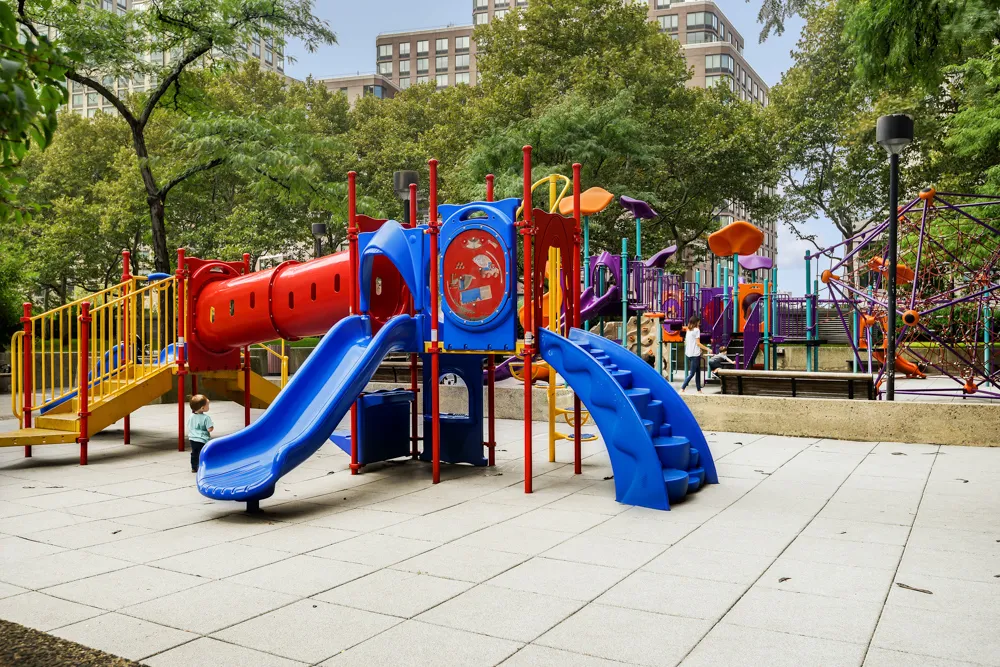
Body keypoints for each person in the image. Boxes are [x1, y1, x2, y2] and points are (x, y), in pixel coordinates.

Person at [681, 316, 711, 393]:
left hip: (689, 353)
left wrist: (698, 349)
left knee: (698, 372)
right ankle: (682, 388)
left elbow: (688, 342)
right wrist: (707, 349)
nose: (699, 323)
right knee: (692, 373)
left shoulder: (688, 330)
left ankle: (699, 390)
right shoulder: (697, 330)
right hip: (695, 354)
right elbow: (698, 343)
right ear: (696, 322)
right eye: (698, 322)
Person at [187, 394, 214, 473]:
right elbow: (209, 429)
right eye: (207, 405)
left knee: (194, 452)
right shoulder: (206, 418)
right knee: (203, 453)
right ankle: (204, 466)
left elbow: (189, 425)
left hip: (192, 438)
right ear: (202, 408)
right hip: (202, 439)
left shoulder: (191, 416)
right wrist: (211, 427)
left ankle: (194, 467)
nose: (208, 407)